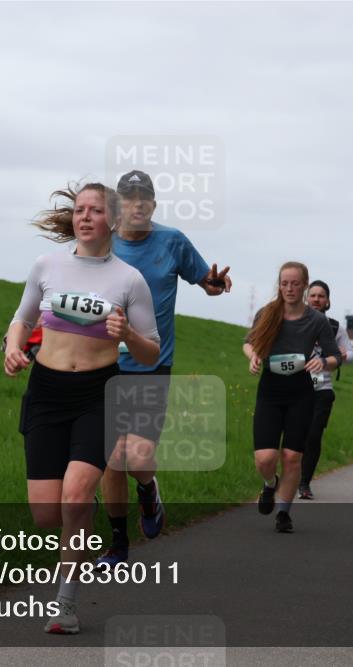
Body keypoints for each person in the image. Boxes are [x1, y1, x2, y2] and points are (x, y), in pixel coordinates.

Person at [5, 182, 161, 634]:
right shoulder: (47, 266)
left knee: (74, 497)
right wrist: (13, 348)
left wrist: (128, 334)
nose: (85, 216)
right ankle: (82, 503)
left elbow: (151, 351)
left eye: (95, 210)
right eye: (79, 210)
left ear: (113, 220)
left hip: (98, 393)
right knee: (46, 515)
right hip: (47, 391)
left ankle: (65, 606)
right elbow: (23, 319)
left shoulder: (129, 280)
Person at [96, 170, 231, 569]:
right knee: (109, 458)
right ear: (119, 205)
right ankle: (118, 545)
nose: (137, 205)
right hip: (102, 363)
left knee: (134, 456)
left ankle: (149, 489)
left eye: (144, 198)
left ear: (153, 205)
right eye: (129, 198)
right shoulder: (102, 242)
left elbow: (204, 280)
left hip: (151, 363)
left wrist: (216, 284)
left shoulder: (172, 241)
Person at [243, 262, 342, 533]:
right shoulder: (267, 313)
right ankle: (269, 484)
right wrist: (252, 356)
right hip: (270, 390)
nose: (289, 288)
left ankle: (283, 514)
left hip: (301, 392)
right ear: (279, 285)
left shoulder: (317, 320)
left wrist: (323, 362)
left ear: (305, 285)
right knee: (265, 458)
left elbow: (335, 356)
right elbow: (248, 341)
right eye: (284, 283)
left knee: (291, 457)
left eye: (295, 283)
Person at [299, 280, 353, 499]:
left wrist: (342, 355)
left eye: (321, 296)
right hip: (295, 387)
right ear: (306, 298)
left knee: (313, 436)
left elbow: (351, 355)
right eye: (312, 295)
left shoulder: (334, 327)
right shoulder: (296, 320)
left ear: (327, 301)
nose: (316, 299)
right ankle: (288, 477)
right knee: (295, 436)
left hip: (322, 388)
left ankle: (304, 483)